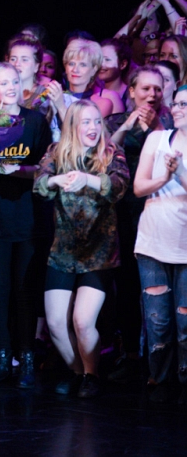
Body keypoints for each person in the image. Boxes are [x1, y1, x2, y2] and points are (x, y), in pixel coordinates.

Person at [34, 100, 129, 399]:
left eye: (96, 121)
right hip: (63, 251)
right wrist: (56, 180)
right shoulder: (56, 152)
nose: (93, 128)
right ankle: (77, 372)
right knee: (55, 323)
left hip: (98, 253)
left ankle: (92, 374)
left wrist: (89, 179)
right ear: (73, 125)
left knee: (82, 321)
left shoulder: (111, 152)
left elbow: (119, 186)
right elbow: (39, 186)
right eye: (86, 122)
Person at [0, 63, 52, 389]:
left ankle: (27, 357)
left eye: (14, 81)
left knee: (25, 290)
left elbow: (45, 170)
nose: (10, 87)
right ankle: (3, 357)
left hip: (29, 218)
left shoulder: (35, 121)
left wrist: (14, 169)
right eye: (3, 82)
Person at [107, 66, 172, 383]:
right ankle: (131, 353)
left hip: (161, 212)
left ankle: (163, 358)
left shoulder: (172, 122)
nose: (152, 94)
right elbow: (102, 153)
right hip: (124, 215)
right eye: (145, 88)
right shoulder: (116, 122)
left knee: (159, 288)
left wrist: (156, 126)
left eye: (157, 89)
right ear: (131, 91)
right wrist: (127, 125)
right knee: (128, 286)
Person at [133, 85, 187, 404]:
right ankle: (159, 377)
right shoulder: (157, 139)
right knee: (157, 319)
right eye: (176, 103)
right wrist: (164, 178)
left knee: (184, 320)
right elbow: (139, 187)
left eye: (185, 104)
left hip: (184, 243)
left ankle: (184, 377)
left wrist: (179, 172)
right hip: (153, 240)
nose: (177, 109)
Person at [47, 39, 124, 141]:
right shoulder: (57, 94)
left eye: (82, 65)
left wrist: (60, 106)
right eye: (71, 64)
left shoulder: (102, 103)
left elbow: (82, 138)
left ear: (94, 69)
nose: (75, 69)